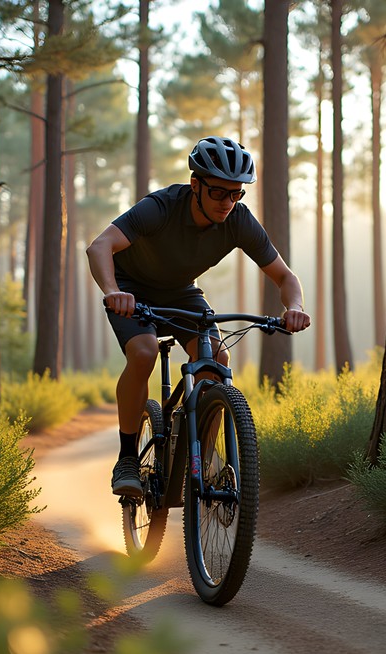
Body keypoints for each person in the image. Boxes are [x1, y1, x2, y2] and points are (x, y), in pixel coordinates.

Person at [87, 136, 311, 497]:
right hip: (131, 289)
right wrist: (113, 292)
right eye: (219, 193)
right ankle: (128, 458)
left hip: (180, 292)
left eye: (236, 194)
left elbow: (285, 277)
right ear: (196, 185)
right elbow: (99, 246)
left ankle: (200, 459)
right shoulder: (160, 207)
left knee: (216, 358)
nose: (228, 202)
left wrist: (295, 308)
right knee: (143, 353)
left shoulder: (238, 220)